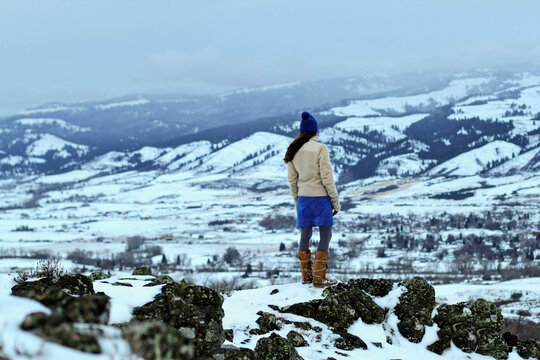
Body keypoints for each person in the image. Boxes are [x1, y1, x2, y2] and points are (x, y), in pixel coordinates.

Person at [284, 111, 340, 287]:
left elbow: (292, 180)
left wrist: (297, 201)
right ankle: (319, 277)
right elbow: (327, 177)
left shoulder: (293, 149)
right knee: (326, 233)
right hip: (320, 197)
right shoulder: (320, 148)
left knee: (305, 234)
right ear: (315, 131)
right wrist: (335, 200)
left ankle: (306, 276)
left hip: (303, 198)